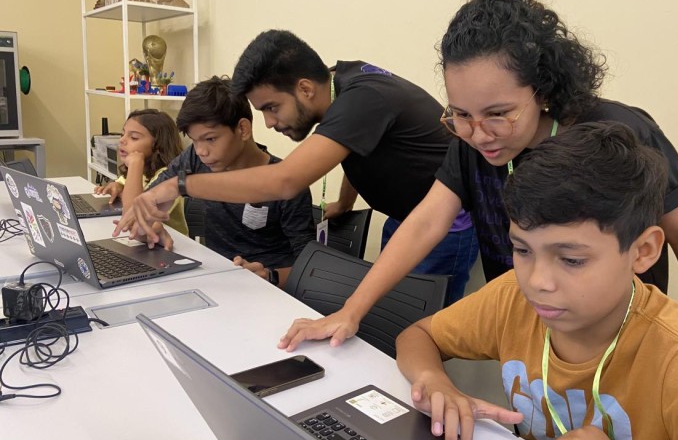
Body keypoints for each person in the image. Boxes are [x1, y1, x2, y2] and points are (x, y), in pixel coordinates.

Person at [276, 0, 678, 421]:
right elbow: (424, 223)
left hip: (617, 343)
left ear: (544, 90)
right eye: (460, 114)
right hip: (534, 341)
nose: (479, 134)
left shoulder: (616, 134)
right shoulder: (472, 144)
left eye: (499, 113)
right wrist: (351, 311)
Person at [396, 122, 678, 440]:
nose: (538, 282)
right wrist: (434, 382)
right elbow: (419, 335)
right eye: (522, 249)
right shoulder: (512, 299)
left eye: (571, 259)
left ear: (643, 252)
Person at [113, 30, 478, 304]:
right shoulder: (337, 86)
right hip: (408, 217)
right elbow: (358, 147)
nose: (269, 124)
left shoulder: (364, 98)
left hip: (445, 223)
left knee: (414, 326)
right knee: (390, 314)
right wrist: (345, 204)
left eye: (272, 108)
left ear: (304, 88)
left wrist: (178, 185)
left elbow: (284, 180)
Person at [140, 76, 315, 287]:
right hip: (215, 280)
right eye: (195, 141)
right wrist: (150, 226)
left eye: (210, 139)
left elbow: (310, 268)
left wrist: (271, 276)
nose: (202, 151)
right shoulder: (195, 159)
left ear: (243, 129)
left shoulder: (287, 184)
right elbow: (146, 200)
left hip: (267, 292)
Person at [95, 109, 187, 235]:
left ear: (158, 145)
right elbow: (123, 184)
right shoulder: (144, 170)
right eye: (123, 134)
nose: (122, 140)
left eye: (134, 137)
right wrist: (118, 186)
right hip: (141, 240)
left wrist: (135, 165)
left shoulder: (168, 175)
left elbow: (133, 215)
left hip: (171, 246)